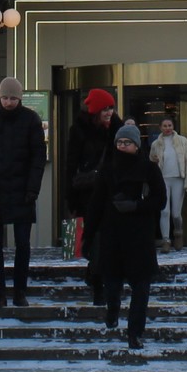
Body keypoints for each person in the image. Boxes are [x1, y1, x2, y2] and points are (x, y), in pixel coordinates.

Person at [0, 76, 47, 307]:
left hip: (23, 190)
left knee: (22, 244)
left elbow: (38, 157)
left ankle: (19, 291)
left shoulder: (31, 120)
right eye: (5, 97)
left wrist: (33, 188)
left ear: (20, 98)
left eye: (13, 98)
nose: (9, 102)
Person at [91, 120, 166, 349]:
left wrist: (136, 206)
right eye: (119, 142)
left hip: (140, 236)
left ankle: (135, 333)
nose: (122, 146)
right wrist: (90, 235)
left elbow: (160, 200)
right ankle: (112, 310)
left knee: (141, 287)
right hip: (113, 234)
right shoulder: (107, 169)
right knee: (112, 284)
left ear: (136, 145)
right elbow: (96, 202)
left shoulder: (148, 168)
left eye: (127, 142)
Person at [67, 89, 121, 302]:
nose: (109, 112)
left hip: (111, 193)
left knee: (107, 240)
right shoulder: (79, 130)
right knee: (96, 239)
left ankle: (97, 278)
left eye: (111, 108)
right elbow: (71, 164)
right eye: (105, 108)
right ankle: (97, 281)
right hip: (88, 194)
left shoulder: (117, 128)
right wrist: (69, 196)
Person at [147, 116, 187, 251]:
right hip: (162, 179)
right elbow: (151, 162)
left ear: (173, 126)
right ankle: (166, 240)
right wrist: (156, 162)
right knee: (164, 211)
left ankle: (178, 233)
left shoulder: (182, 141)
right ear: (160, 127)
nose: (167, 128)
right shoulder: (155, 144)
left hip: (178, 179)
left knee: (176, 213)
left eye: (169, 125)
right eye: (165, 126)